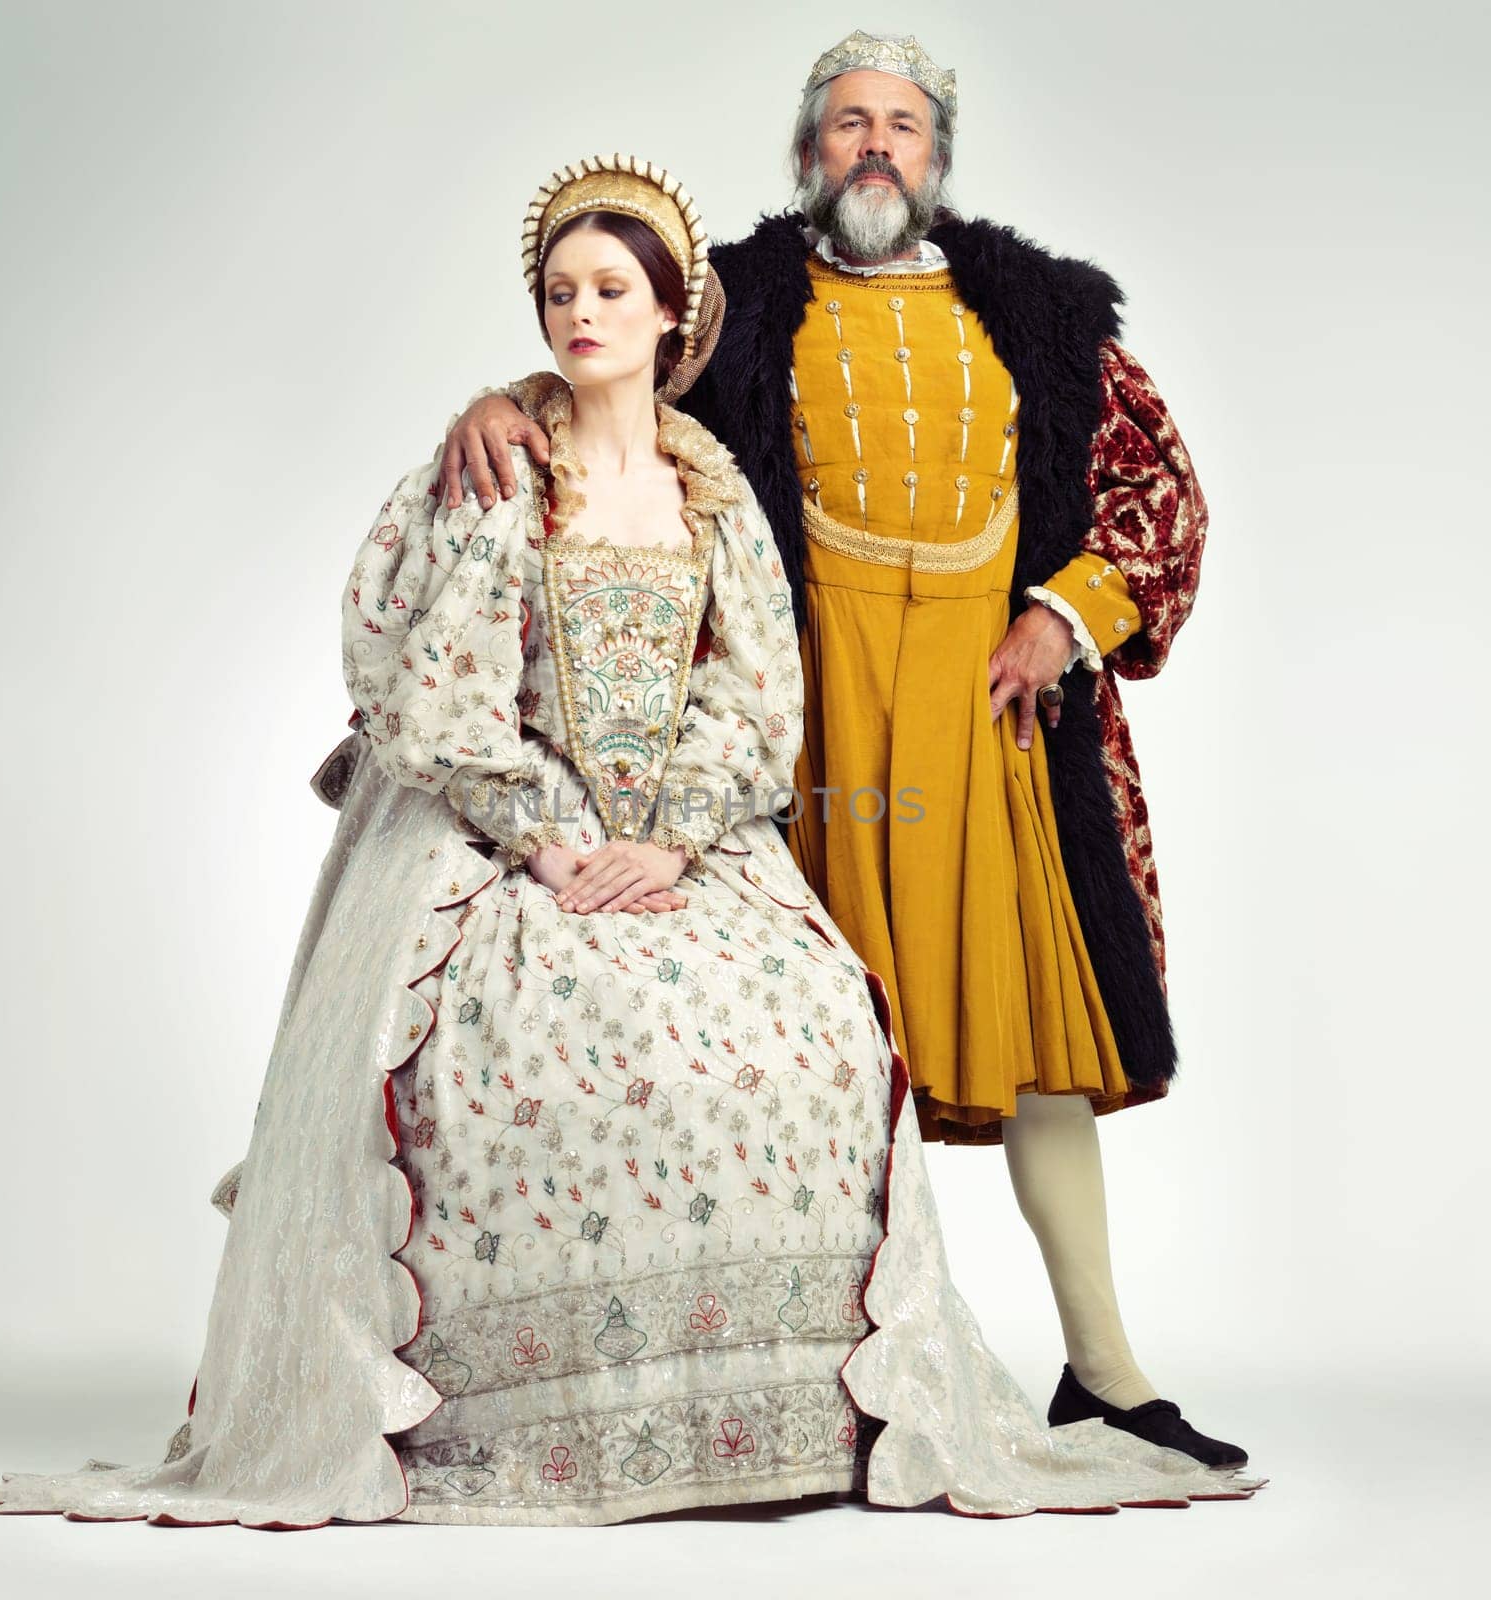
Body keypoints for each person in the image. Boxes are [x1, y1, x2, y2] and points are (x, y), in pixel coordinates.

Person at [0, 157, 1257, 1530]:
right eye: (560, 292)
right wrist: (553, 833)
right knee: (520, 1050)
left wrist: (682, 833)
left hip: (735, 816)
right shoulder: (510, 463)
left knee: (823, 1022)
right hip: (510, 830)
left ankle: (830, 1407)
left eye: (611, 290)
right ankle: (526, 1413)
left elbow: (758, 691)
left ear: (668, 318)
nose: (584, 313)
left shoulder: (726, 484)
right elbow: (435, 687)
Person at [438, 31, 1246, 1469]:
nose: (877, 146)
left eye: (904, 127)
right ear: (811, 149)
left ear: (937, 155)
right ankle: (854, 1379)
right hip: (811, 719)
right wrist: (504, 405)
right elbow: (610, 367)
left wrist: (1066, 619)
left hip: (987, 721)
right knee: (820, 1049)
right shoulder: (740, 304)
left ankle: (1106, 1371)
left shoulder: (1045, 317)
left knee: (1044, 1046)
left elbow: (1156, 492)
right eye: (850, 124)